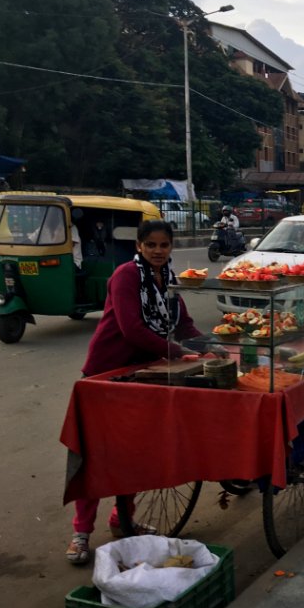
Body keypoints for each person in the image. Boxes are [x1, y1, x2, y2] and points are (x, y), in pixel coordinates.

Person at [65, 220, 203, 565]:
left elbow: (183, 322)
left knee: (134, 451)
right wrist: (176, 350)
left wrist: (212, 345)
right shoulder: (126, 276)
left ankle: (122, 519)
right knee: (96, 454)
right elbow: (132, 329)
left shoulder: (167, 279)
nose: (158, 251)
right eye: (151, 245)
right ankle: (81, 532)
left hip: (145, 375)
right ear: (139, 246)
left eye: (164, 245)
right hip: (107, 373)